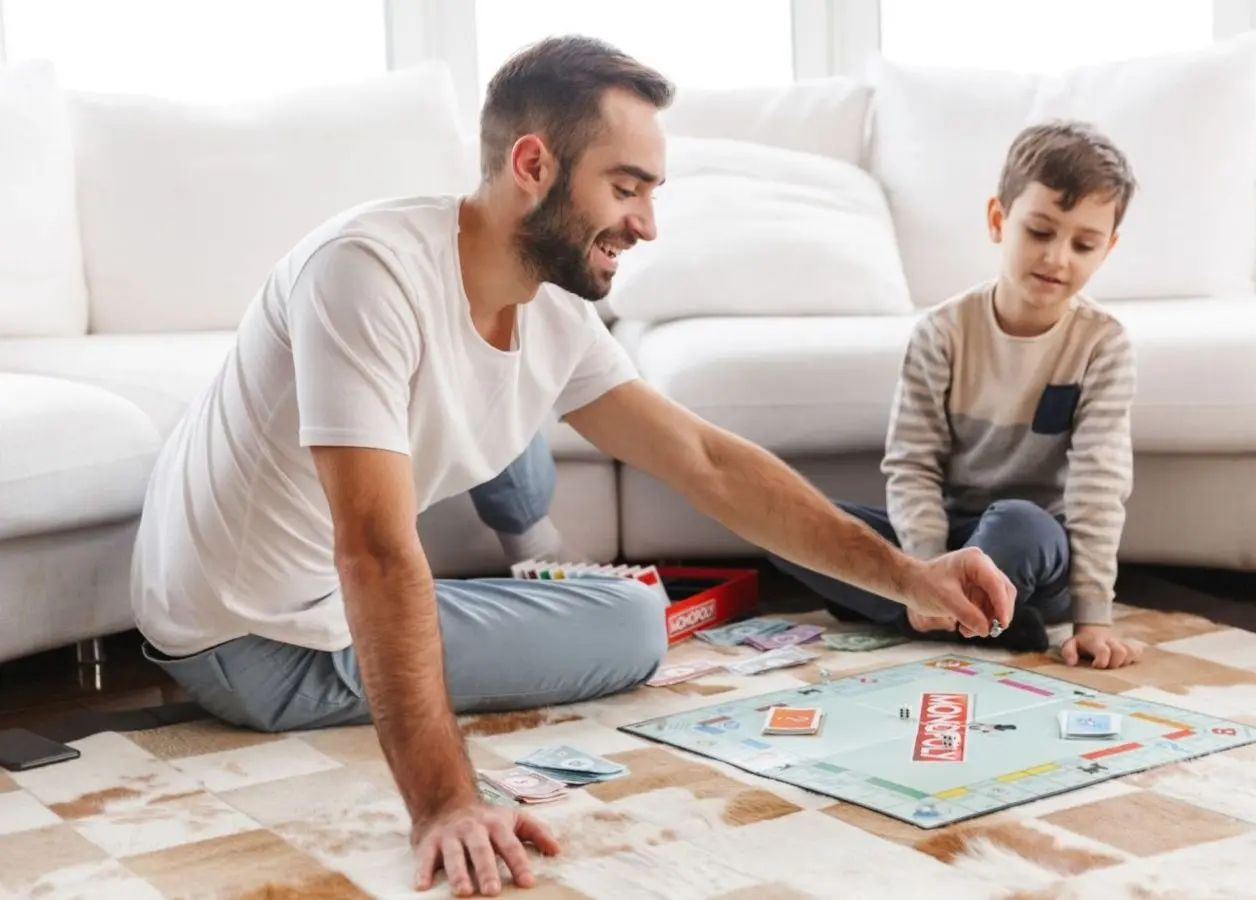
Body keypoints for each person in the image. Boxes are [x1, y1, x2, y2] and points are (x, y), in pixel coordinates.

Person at [129, 36, 1016, 898]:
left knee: (578, 525)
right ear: (532, 165)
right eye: (625, 188)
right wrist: (445, 805)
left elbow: (705, 460)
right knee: (630, 625)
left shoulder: (549, 312)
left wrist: (907, 574)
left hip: (301, 578)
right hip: (245, 638)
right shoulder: (366, 273)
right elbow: (373, 549)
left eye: (651, 192)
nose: (647, 224)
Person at [771, 119, 1146, 670]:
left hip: (1034, 551)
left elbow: (1098, 486)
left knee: (1019, 522)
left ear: (1105, 249)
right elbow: (913, 465)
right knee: (789, 520)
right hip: (948, 539)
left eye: (1083, 244)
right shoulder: (942, 332)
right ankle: (968, 620)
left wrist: (1093, 618)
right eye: (1039, 232)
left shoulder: (1102, 344)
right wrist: (926, 572)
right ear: (999, 221)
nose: (1058, 258)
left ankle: (930, 617)